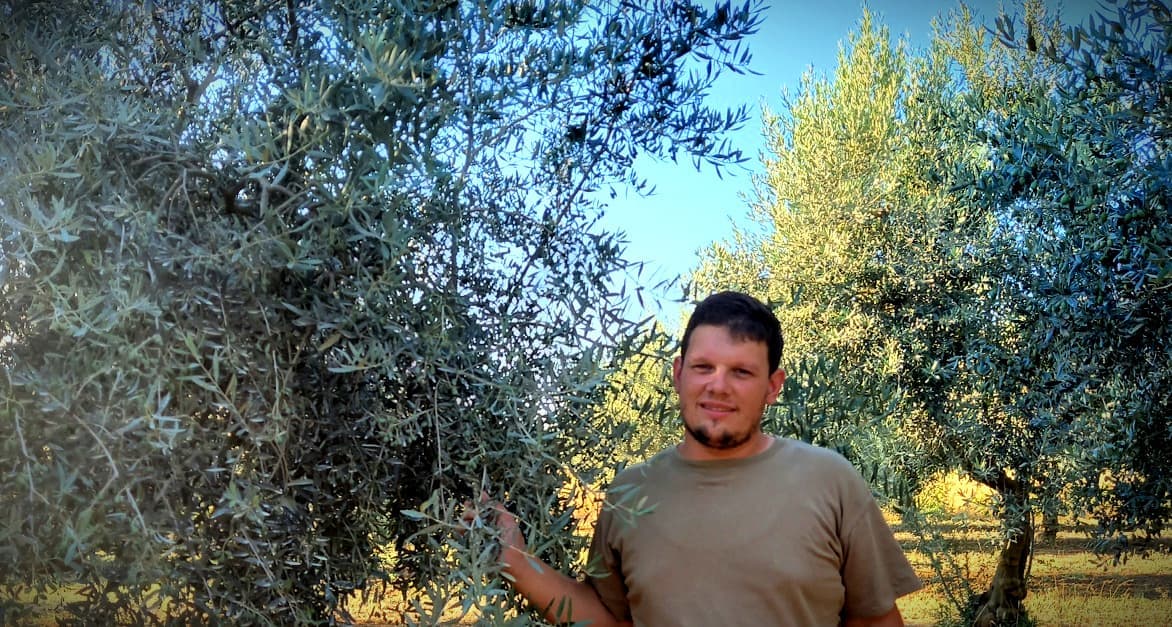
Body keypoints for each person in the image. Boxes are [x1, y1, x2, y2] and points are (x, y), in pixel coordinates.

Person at [475, 291, 922, 626]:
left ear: (773, 386)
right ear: (678, 373)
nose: (718, 386)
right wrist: (515, 559)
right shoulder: (630, 491)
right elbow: (609, 620)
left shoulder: (830, 481)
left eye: (742, 372)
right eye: (704, 367)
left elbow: (876, 619)